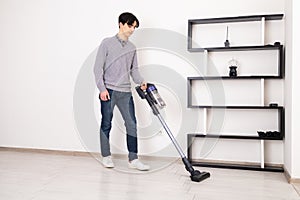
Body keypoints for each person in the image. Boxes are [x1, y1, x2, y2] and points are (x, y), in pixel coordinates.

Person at [93, 12, 150, 171]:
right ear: (120, 24)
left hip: (126, 92)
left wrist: (141, 81)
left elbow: (135, 71)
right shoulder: (107, 43)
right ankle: (106, 156)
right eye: (130, 25)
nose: (132, 29)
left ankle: (133, 159)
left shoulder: (132, 48)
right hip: (109, 91)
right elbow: (98, 68)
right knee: (106, 124)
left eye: (134, 27)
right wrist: (102, 89)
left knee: (132, 124)